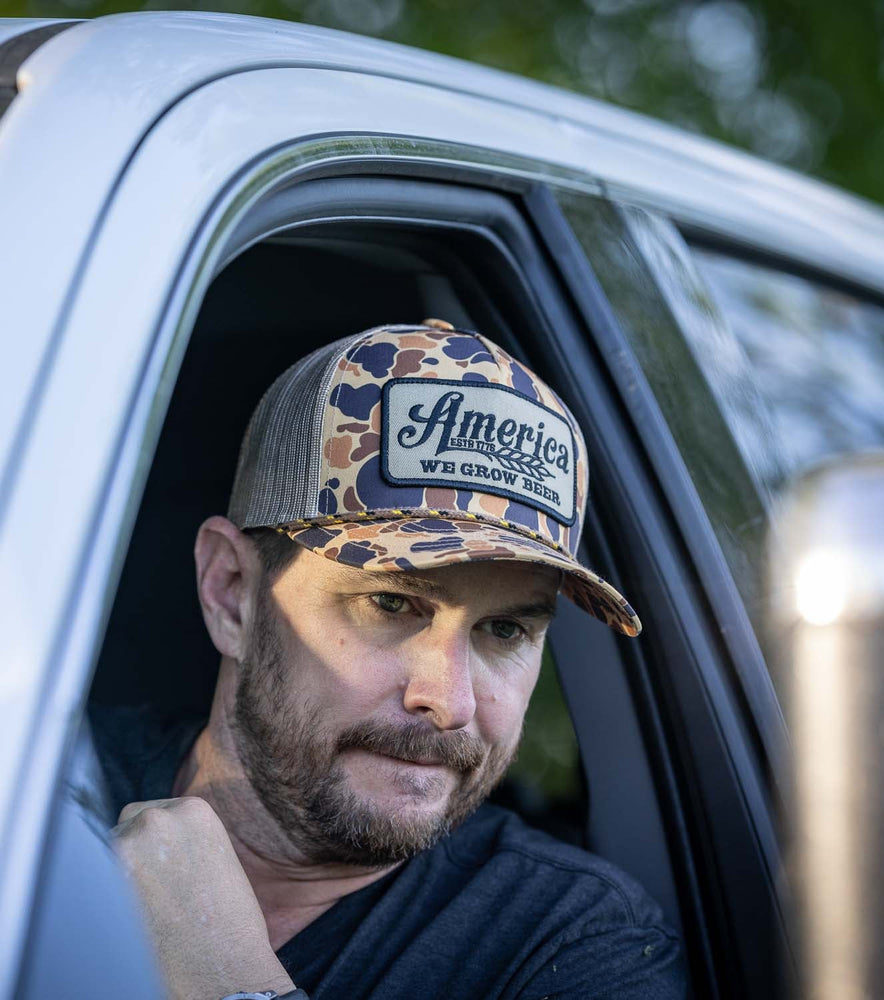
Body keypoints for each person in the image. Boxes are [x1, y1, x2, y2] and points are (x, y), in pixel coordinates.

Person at [93, 320, 687, 1000]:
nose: (451, 701)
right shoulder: (35, 789)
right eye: (391, 604)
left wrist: (228, 986)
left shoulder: (574, 947)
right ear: (232, 593)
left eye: (503, 630)